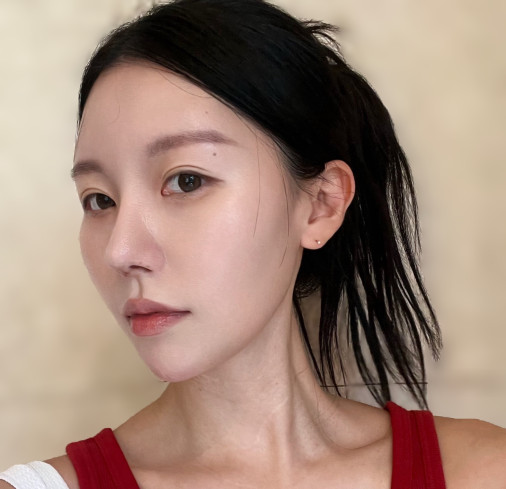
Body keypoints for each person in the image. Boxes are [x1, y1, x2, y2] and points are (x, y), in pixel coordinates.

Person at [1, 0, 505, 487]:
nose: (121, 251)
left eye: (187, 181)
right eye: (99, 200)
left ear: (321, 205)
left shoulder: (483, 472)